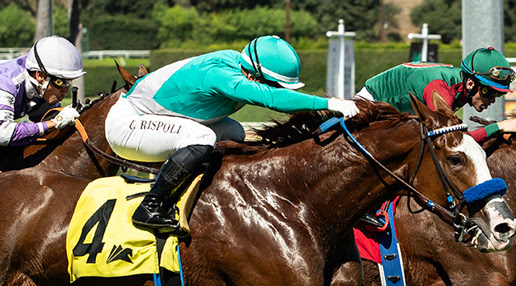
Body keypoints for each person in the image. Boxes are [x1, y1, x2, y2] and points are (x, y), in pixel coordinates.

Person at [104, 35, 359, 235]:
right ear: (254, 74)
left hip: (161, 118)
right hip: (130, 123)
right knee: (201, 138)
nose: (279, 89)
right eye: (275, 83)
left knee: (235, 132)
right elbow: (270, 99)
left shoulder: (238, 64)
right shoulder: (220, 74)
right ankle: (150, 206)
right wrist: (328, 103)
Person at [357, 47, 516, 142]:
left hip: (397, 114)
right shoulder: (441, 89)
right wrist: (499, 127)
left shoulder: (459, 86)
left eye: (498, 95)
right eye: (488, 92)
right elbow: (454, 140)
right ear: (470, 83)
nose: (491, 100)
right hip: (371, 106)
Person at [0, 35, 84, 147]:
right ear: (40, 76)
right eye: (60, 83)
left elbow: (47, 118)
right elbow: (3, 134)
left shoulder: (39, 86)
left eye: (68, 83)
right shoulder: (7, 83)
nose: (65, 91)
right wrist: (55, 122)